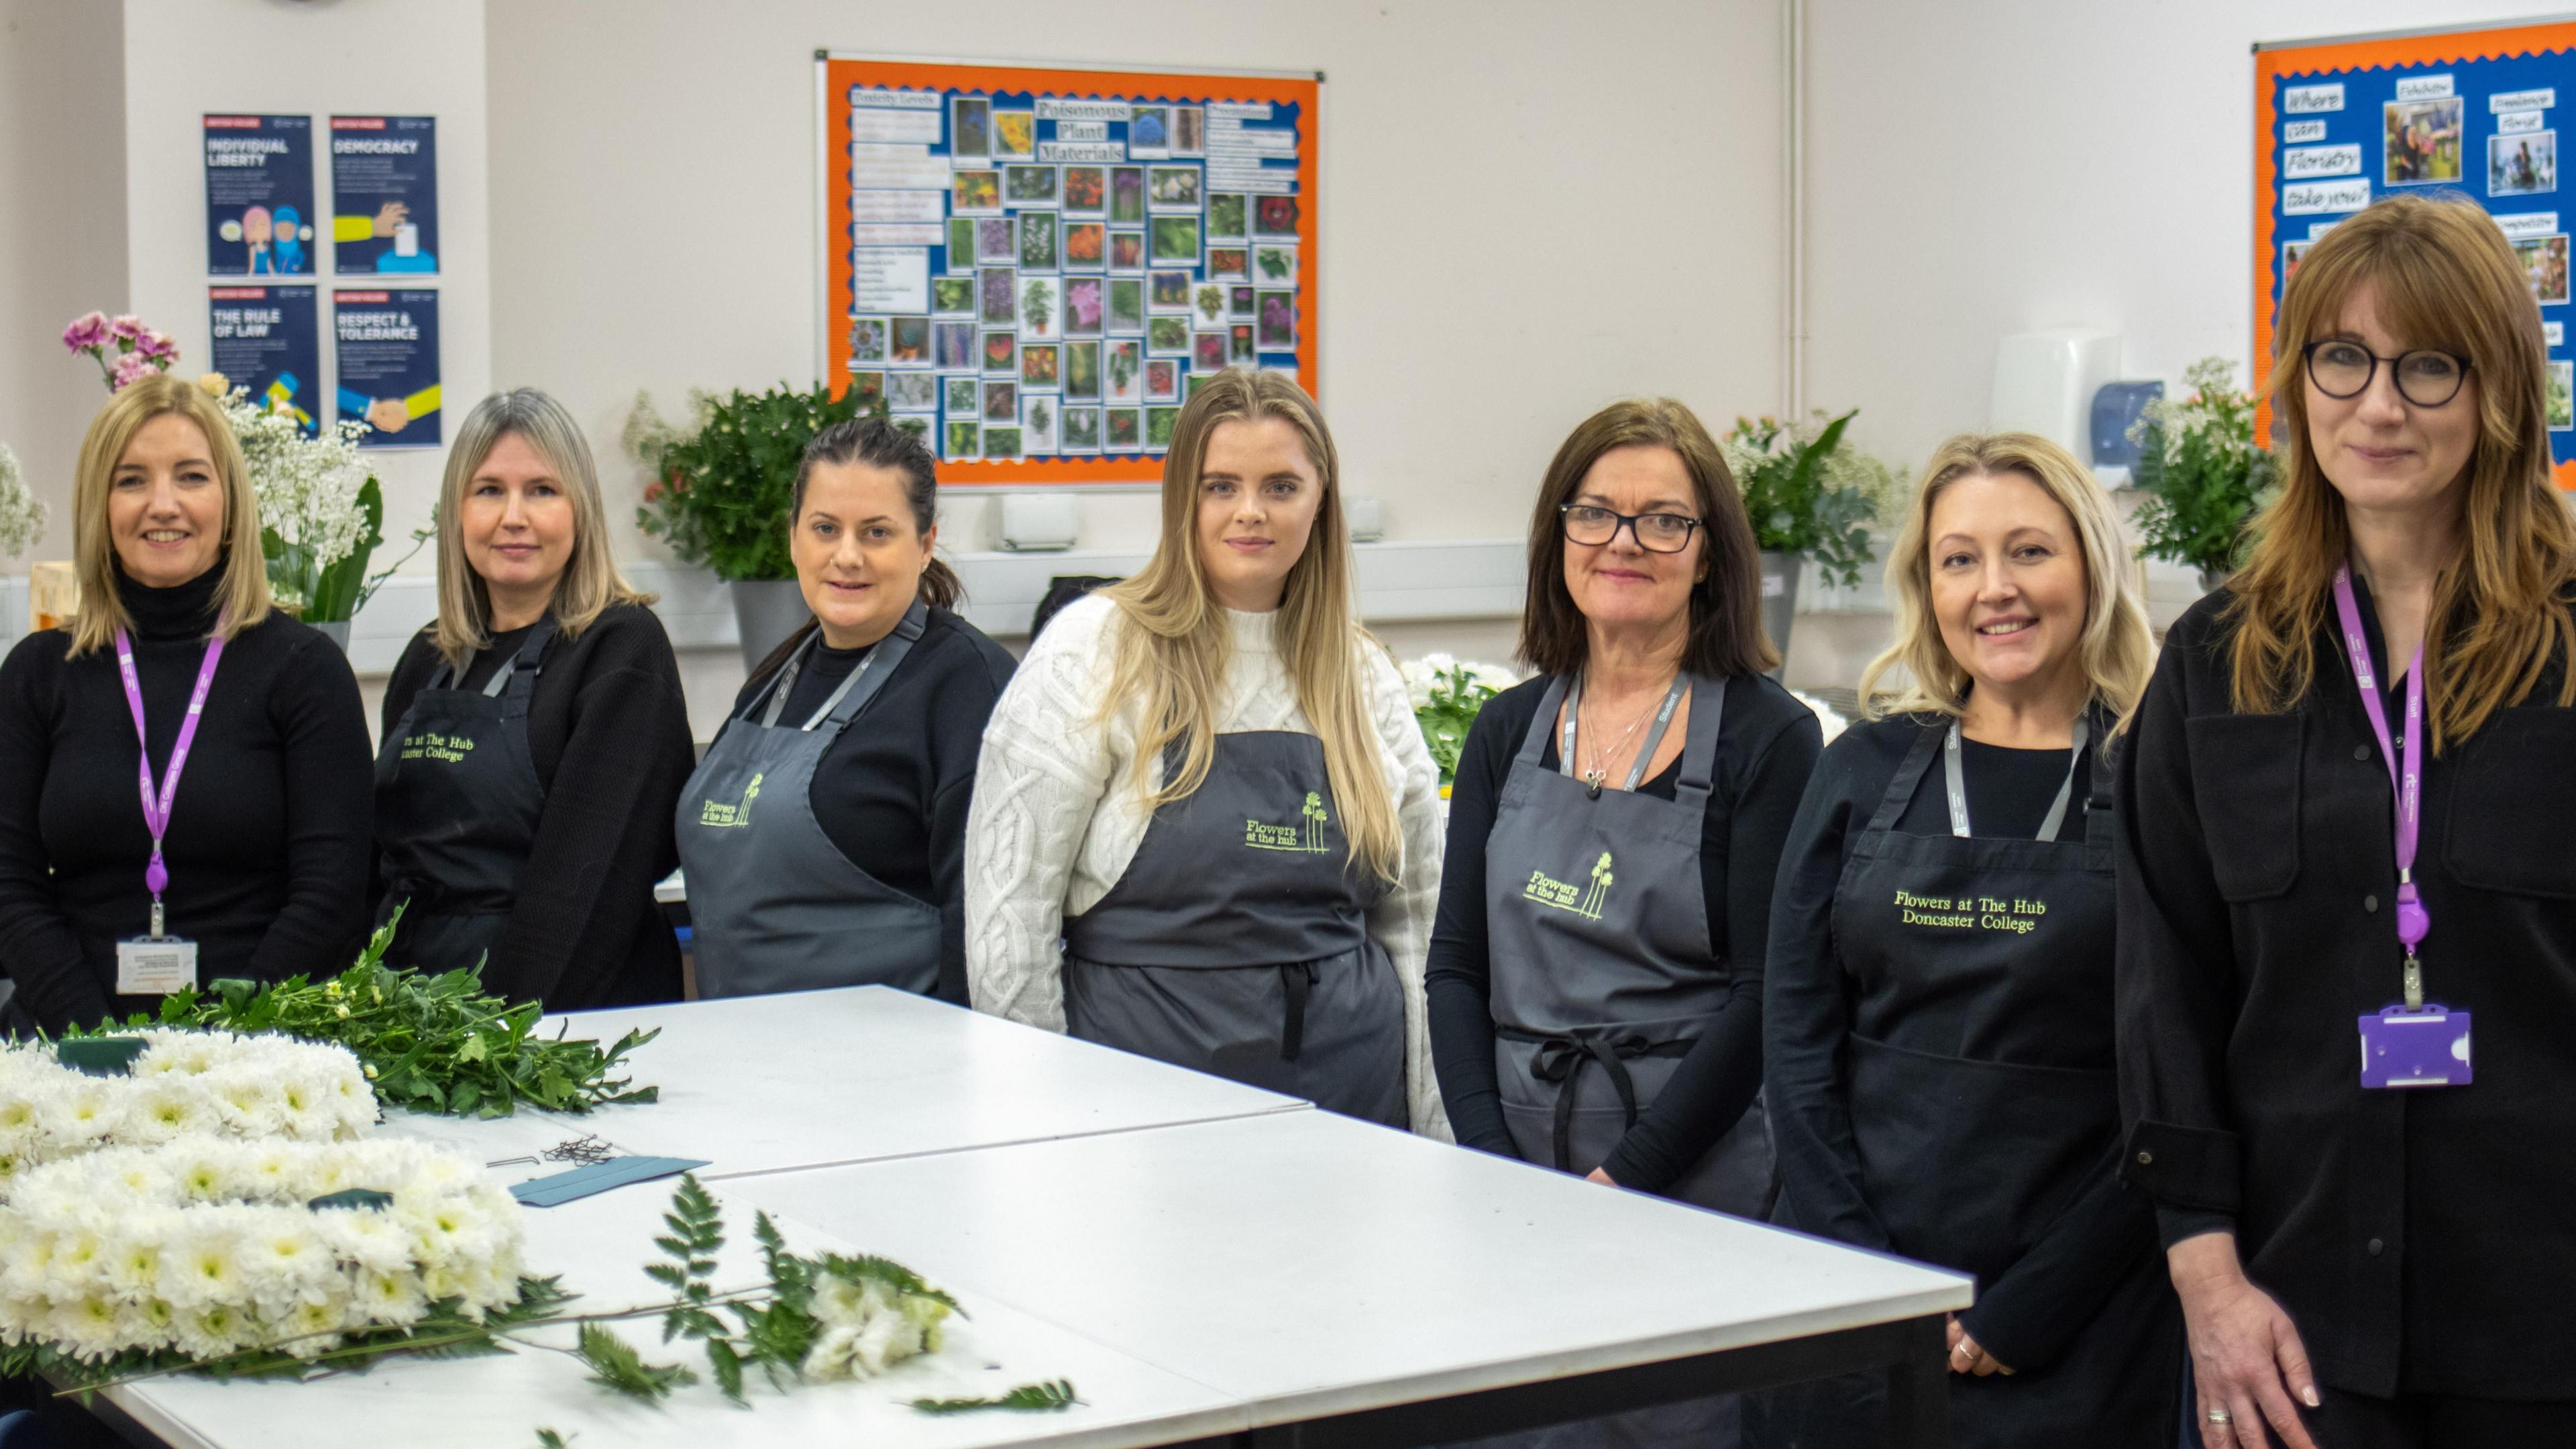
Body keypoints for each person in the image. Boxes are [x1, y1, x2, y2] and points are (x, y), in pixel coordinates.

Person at [2120, 193, 2576, 1448]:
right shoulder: (2217, 663)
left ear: (2500, 394)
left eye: (2430, 366)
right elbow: (2166, 985)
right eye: (2345, 359)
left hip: (2546, 1326)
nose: (2380, 406)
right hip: (2289, 1334)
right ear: (2299, 382)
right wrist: (2207, 1283)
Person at [1752, 433, 2173, 1448]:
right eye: (1960, 559)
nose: (1996, 589)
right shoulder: (1862, 767)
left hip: (2082, 1319)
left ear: (2092, 566)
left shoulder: (2166, 775)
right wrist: (1868, 1277)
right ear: (1927, 585)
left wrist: (2035, 1303)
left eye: (2030, 551)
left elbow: (2183, 1077)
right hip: (1853, 1295)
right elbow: (1797, 1040)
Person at [1426, 398, 1818, 1448]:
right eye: (1594, 513)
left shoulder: (1771, 741)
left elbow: (1766, 1000)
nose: (1624, 544)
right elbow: (1456, 968)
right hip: (1513, 1168)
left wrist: (1626, 1181)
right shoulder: (1512, 729)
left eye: (1663, 521)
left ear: (1711, 554)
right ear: (1559, 538)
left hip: (1690, 1177)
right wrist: (1486, 1162)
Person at [965, 368, 1446, 1134]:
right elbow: (1009, 927)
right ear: (1181, 498)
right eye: (1220, 486)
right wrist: (1040, 1131)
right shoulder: (1092, 653)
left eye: (1281, 486)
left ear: (1321, 501)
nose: (1250, 512)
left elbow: (1421, 927)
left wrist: (1435, 1138)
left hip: (1355, 1116)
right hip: (1139, 1126)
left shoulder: (1362, 677)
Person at [0, 374, 372, 1033]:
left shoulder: (305, 671)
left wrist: (222, 1048)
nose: (162, 504)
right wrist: (94, 1041)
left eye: (191, 477)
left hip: (260, 1049)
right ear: (100, 504)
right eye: (132, 479)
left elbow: (331, 896)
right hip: (65, 1046)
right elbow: (9, 884)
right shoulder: (37, 674)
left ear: (230, 504)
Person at [373, 388, 693, 1008]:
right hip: (414, 1004)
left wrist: (502, 1037)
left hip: (560, 1017)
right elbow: (383, 861)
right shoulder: (429, 657)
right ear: (457, 512)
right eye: (489, 490)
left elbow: (587, 886)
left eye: (542, 490)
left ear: (581, 511)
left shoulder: (620, 649)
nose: (513, 516)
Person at [679, 416, 1014, 1002]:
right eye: (825, 529)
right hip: (739, 1059)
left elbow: (990, 930)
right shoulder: (773, 677)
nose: (847, 555)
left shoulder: (966, 685)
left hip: (889, 1072)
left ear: (926, 542)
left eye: (877, 533)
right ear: (793, 537)